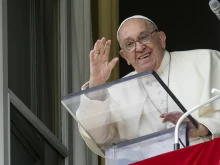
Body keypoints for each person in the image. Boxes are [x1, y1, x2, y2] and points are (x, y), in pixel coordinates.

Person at [76, 15, 220, 157]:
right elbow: (99, 138)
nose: (139, 47)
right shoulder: (117, 91)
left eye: (144, 37)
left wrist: (202, 127)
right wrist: (96, 84)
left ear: (161, 39)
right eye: (129, 44)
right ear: (125, 56)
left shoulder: (206, 60)